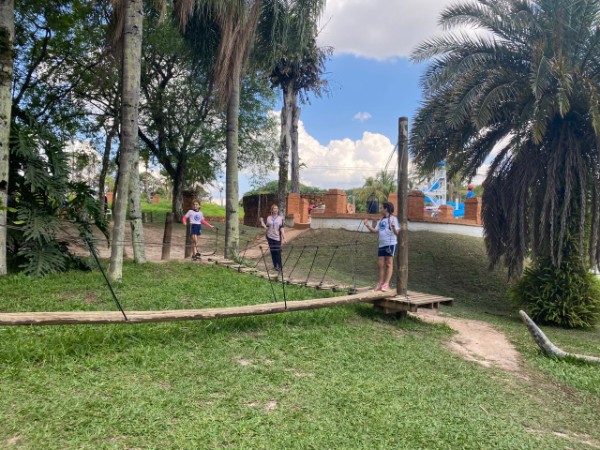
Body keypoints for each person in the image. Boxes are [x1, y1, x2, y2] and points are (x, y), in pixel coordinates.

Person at [363, 201, 400, 291]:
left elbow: (397, 233)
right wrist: (367, 225)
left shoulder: (394, 219)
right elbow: (375, 231)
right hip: (381, 244)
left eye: (382, 208)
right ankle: (380, 284)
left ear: (386, 209)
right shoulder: (381, 220)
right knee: (380, 264)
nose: (381, 209)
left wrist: (393, 227)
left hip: (390, 244)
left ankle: (386, 284)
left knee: (388, 263)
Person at [260, 204, 286, 272]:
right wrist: (262, 222)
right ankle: (275, 266)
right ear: (272, 210)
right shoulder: (269, 218)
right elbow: (267, 227)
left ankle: (280, 267)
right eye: (274, 208)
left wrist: (284, 238)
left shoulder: (280, 218)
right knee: (272, 251)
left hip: (277, 237)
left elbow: (282, 228)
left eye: (277, 208)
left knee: (278, 251)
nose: (276, 210)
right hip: (270, 237)